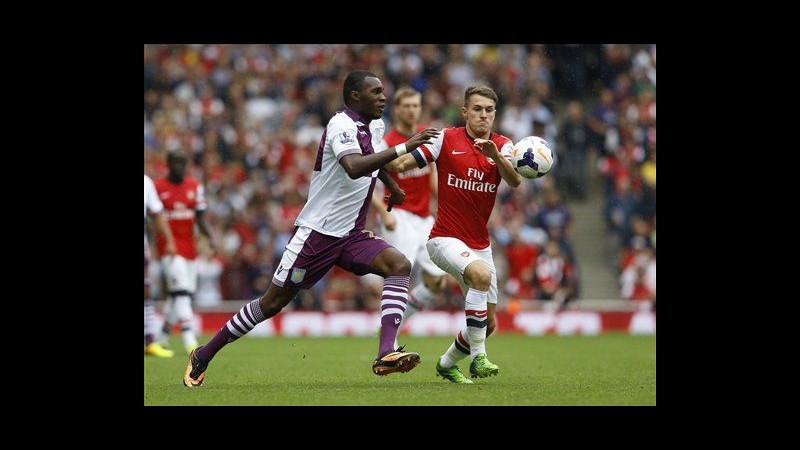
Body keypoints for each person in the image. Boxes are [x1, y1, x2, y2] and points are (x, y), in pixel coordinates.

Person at [183, 70, 440, 387]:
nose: (383, 97)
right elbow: (354, 165)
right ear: (354, 97)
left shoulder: (376, 125)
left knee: (399, 265)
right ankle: (203, 354)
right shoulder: (340, 126)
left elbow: (373, 160)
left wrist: (390, 185)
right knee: (272, 303)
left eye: (383, 91)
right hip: (317, 235)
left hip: (351, 234)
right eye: (375, 92)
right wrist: (404, 149)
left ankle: (386, 352)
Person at [385, 84, 522, 384]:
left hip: (479, 243)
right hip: (443, 237)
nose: (483, 115)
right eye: (477, 109)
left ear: (495, 114)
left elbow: (514, 181)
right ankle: (479, 358)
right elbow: (401, 164)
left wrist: (496, 157)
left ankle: (447, 363)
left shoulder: (504, 145)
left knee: (489, 324)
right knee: (481, 277)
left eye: (489, 110)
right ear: (465, 112)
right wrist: (382, 154)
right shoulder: (446, 138)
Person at [370, 87, 448, 348]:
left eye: (416, 105)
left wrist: (445, 206)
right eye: (407, 106)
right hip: (398, 214)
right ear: (397, 109)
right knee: (399, 275)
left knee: (437, 281)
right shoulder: (386, 142)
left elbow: (433, 178)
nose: (412, 110)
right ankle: (390, 340)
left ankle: (393, 324)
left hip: (425, 218)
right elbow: (366, 183)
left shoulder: (428, 136)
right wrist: (382, 213)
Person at [154, 149, 215, 354]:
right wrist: (154, 243)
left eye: (183, 161)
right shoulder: (158, 188)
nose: (180, 165)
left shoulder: (194, 186)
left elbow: (201, 216)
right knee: (181, 292)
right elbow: (152, 219)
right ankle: (190, 340)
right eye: (176, 162)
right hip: (169, 247)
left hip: (190, 248)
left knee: (179, 294)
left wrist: (211, 238)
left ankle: (161, 338)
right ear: (168, 164)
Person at [144, 174, 177, 357]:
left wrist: (170, 240)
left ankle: (149, 341)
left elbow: (157, 215)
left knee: (146, 289)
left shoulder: (146, 182)